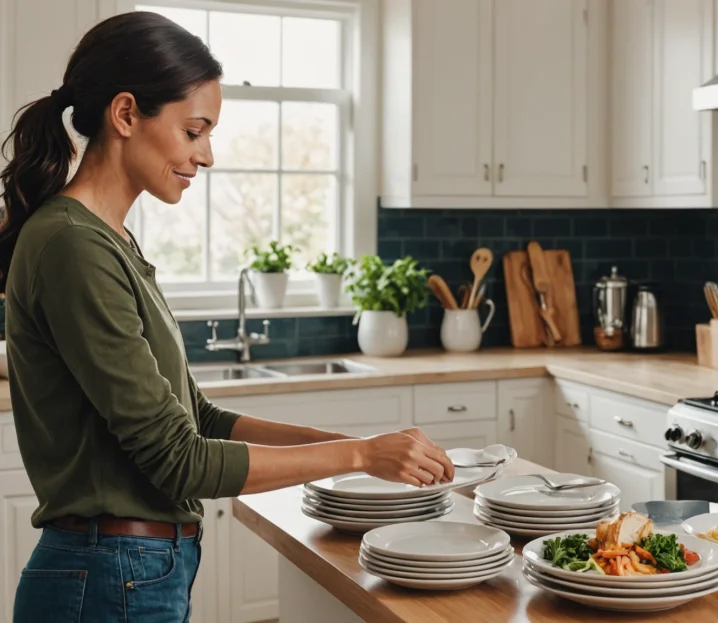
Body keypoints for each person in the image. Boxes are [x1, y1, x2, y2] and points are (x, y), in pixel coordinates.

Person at [0, 11, 454, 622]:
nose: (206, 155)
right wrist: (360, 459)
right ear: (127, 114)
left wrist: (350, 444)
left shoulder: (108, 241)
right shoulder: (72, 245)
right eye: (194, 131)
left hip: (129, 573)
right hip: (111, 579)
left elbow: (200, 417)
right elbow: (180, 458)